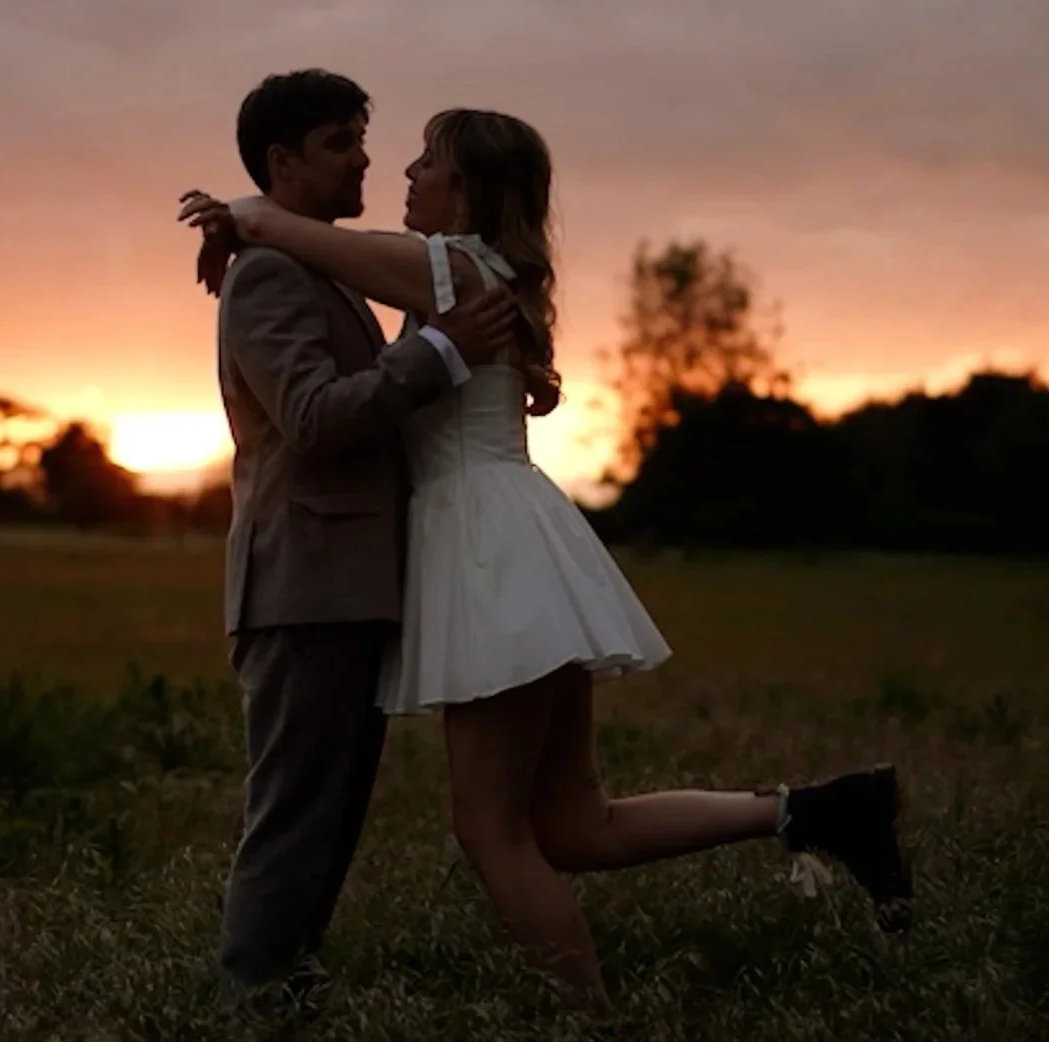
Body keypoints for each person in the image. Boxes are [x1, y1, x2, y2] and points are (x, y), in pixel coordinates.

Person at [182, 88, 912, 1020]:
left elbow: (345, 279)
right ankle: (816, 810)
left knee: (492, 833)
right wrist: (266, 233)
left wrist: (247, 217)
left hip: (489, 556)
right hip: (524, 541)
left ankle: (594, 1020)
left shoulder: (448, 268)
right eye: (362, 148)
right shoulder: (474, 273)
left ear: (470, 189)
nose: (398, 170)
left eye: (424, 160)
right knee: (571, 823)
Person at [196, 70, 519, 1019]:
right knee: (296, 815)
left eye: (360, 138)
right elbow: (311, 417)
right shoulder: (267, 277)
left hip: (346, 586)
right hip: (304, 585)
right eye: (341, 141)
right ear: (283, 162)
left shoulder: (312, 264)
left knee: (328, 818)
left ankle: (288, 987)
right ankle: (252, 1000)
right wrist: (441, 349)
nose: (365, 157)